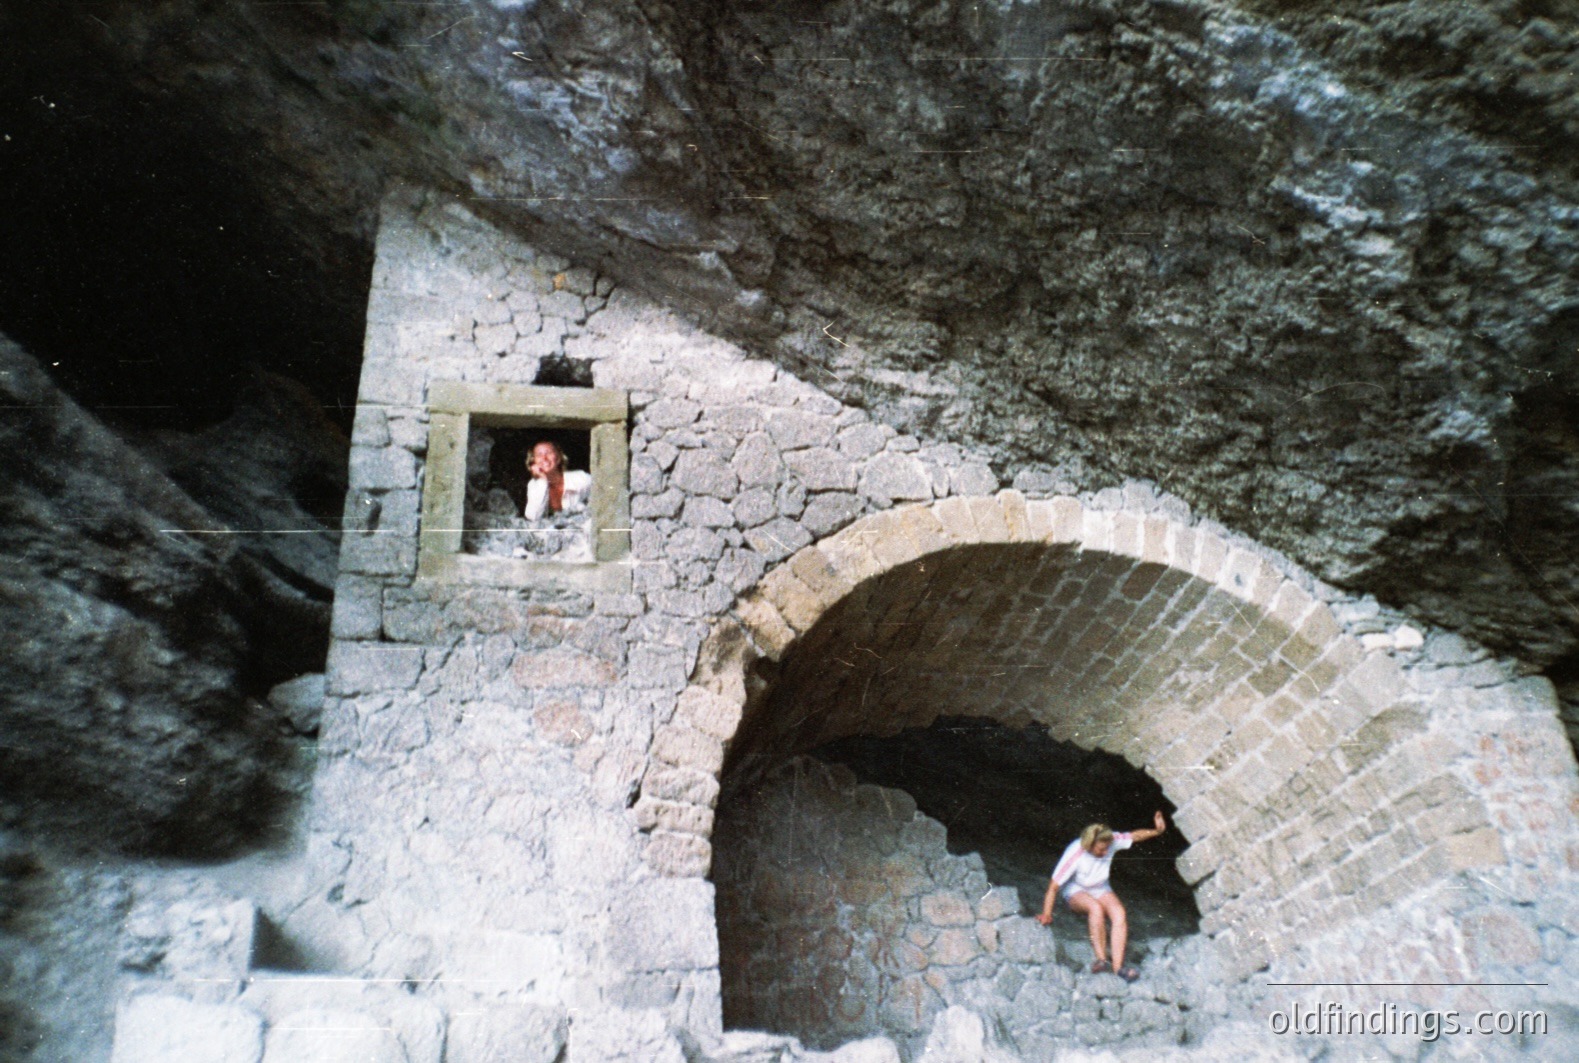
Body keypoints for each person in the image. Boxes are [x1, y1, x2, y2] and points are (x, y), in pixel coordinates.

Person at [1036, 811, 1168, 982]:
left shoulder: (1109, 839)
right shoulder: (1075, 852)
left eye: (1107, 848)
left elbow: (1134, 836)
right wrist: (1046, 914)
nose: (1106, 852)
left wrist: (1156, 831)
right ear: (1089, 845)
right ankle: (1101, 959)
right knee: (1095, 908)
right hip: (1076, 889)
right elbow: (1053, 887)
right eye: (1101, 849)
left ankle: (1118, 967)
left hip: (1100, 887)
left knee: (1119, 913)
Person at [523, 440, 591, 521]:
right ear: (533, 461)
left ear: (558, 458)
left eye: (549, 453)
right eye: (539, 455)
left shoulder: (581, 478)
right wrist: (543, 480)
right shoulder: (534, 485)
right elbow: (533, 517)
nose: (544, 458)